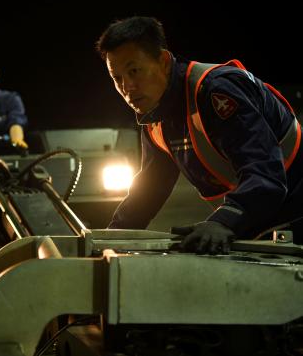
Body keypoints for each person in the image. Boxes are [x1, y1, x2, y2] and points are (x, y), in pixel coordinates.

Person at [96, 16, 302, 254]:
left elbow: (266, 176)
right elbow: (149, 191)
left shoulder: (216, 92)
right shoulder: (156, 119)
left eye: (134, 71)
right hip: (266, 231)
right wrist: (107, 241)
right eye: (117, 77)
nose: (127, 87)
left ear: (163, 61)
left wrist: (222, 221)